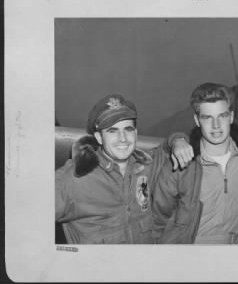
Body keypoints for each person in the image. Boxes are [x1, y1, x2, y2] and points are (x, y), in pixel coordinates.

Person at [55, 94, 193, 244]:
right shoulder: (74, 179)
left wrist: (178, 140)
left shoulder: (146, 165)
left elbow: (166, 147)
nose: (122, 138)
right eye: (112, 131)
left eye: (127, 129)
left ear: (135, 133)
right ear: (99, 138)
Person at [152, 83, 238, 244]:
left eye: (222, 116)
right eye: (208, 118)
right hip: (188, 256)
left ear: (231, 117)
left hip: (236, 254)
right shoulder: (180, 165)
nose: (216, 126)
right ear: (197, 120)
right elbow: (156, 220)